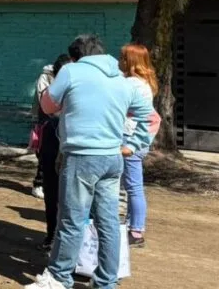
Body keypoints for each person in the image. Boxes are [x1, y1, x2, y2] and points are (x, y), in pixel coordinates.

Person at [26, 35, 153, 289]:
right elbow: (148, 116)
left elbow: (48, 106)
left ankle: (59, 278)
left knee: (72, 220)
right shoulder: (121, 78)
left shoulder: (71, 72)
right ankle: (106, 281)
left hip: (81, 156)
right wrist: (133, 144)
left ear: (76, 57)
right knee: (108, 222)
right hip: (112, 158)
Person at [118, 43, 162, 248]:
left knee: (133, 186)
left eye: (122, 58)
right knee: (132, 186)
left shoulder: (131, 84)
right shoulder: (145, 83)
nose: (119, 61)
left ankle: (136, 230)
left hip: (130, 138)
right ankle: (131, 225)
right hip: (136, 139)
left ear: (131, 61)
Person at [35, 54, 71, 251]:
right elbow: (46, 108)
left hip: (73, 146)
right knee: (52, 191)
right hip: (53, 138)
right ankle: (51, 235)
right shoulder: (51, 88)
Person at [31, 56, 67, 200]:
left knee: (57, 155)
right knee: (44, 154)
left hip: (61, 120)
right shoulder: (45, 77)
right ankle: (38, 184)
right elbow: (44, 98)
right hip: (46, 119)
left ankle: (52, 185)